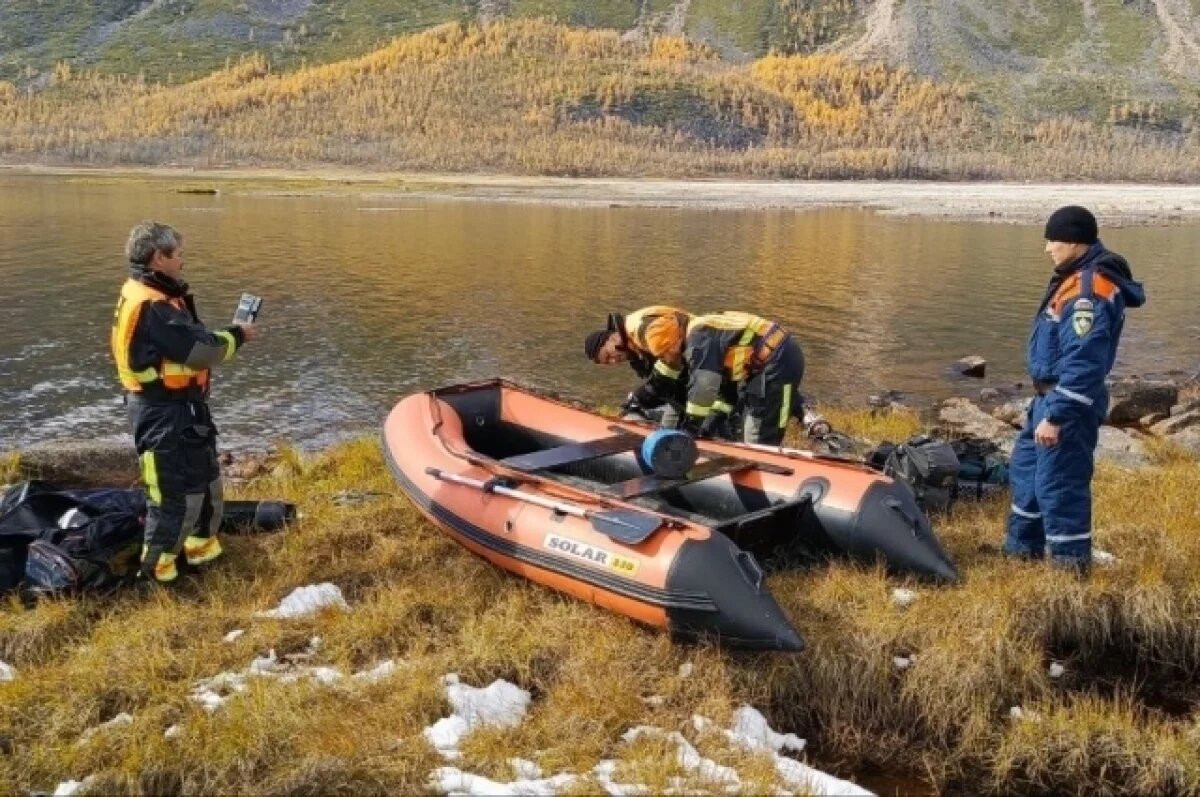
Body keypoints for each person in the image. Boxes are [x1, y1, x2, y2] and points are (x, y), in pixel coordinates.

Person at [110, 222, 258, 584]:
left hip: (182, 408)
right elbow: (201, 350)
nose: (183, 261)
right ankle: (158, 574)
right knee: (173, 493)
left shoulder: (150, 293)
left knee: (205, 482)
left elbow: (190, 342)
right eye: (178, 255)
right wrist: (239, 333)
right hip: (163, 412)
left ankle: (201, 550)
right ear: (158, 258)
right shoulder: (153, 307)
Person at [1004, 206, 1145, 571]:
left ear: (1075, 242)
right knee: (1028, 473)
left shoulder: (1089, 291)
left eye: (1053, 240)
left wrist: (1057, 415)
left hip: (1065, 403)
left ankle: (1069, 574)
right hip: (1047, 398)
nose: (1047, 248)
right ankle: (1022, 554)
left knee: (1061, 485)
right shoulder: (1074, 278)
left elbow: (1084, 363)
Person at [678, 311, 805, 445]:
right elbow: (726, 393)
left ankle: (764, 461)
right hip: (766, 361)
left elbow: (704, 388)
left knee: (758, 434)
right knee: (747, 424)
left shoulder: (700, 339)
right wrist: (710, 422)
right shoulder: (710, 333)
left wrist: (691, 427)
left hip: (777, 360)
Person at [583, 306, 692, 425]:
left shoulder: (640, 329)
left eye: (608, 355)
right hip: (687, 389)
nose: (613, 361)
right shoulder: (637, 358)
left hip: (703, 361)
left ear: (611, 338)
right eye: (608, 362)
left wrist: (640, 397)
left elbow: (672, 358)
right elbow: (664, 386)